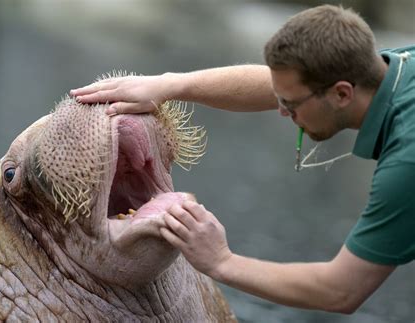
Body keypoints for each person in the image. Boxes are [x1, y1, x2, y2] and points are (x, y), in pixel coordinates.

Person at [70, 5, 414, 314]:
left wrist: (221, 262)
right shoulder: (395, 68)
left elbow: (341, 291)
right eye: (280, 99)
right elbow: (276, 86)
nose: (280, 110)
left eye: (290, 105)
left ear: (342, 93)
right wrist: (167, 85)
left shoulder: (405, 165)